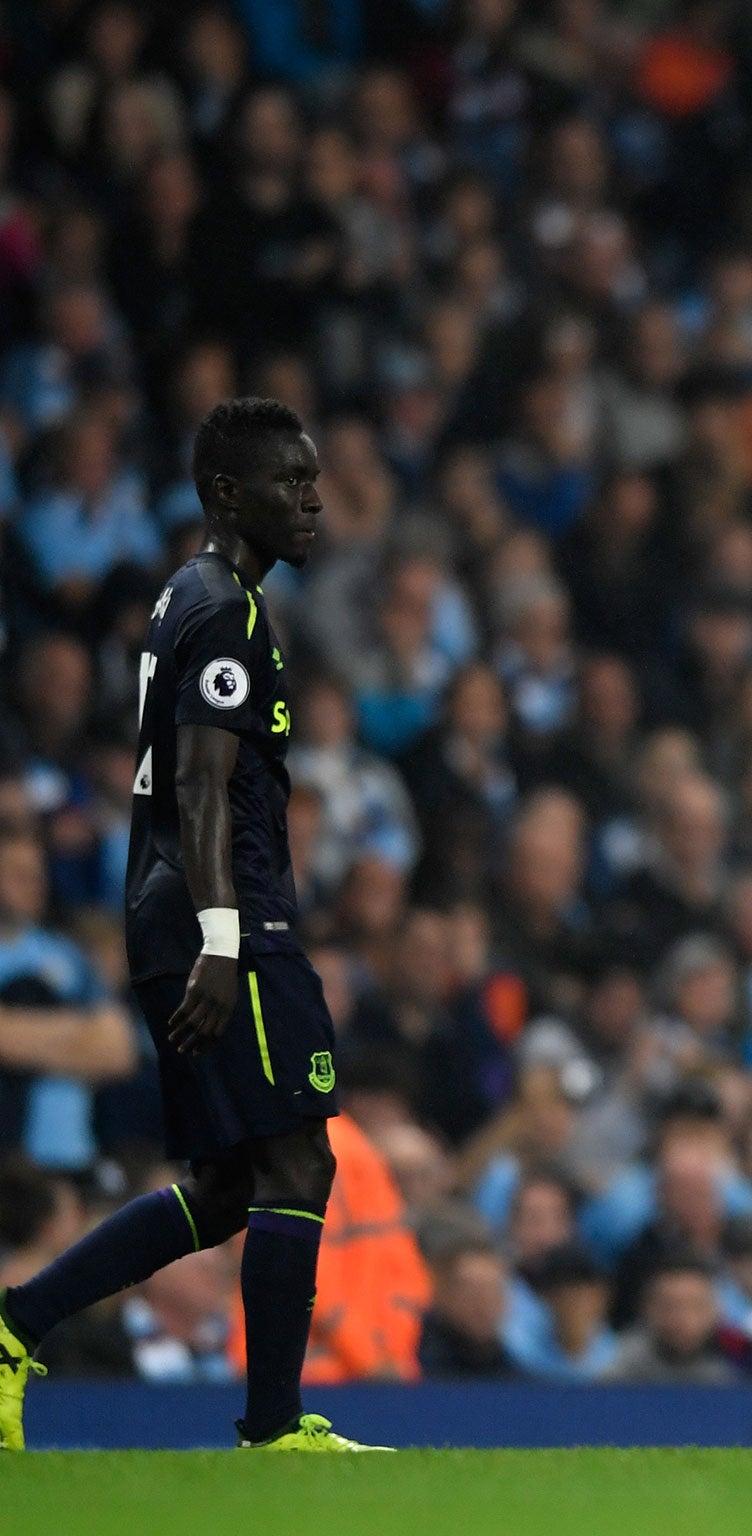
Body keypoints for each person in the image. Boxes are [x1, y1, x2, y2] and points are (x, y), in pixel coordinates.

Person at [0, 398, 387, 1453]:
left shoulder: (189, 594)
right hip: (227, 923)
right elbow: (204, 784)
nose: (312, 503)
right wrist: (225, 937)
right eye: (291, 484)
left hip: (176, 916)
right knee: (299, 1164)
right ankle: (271, 1429)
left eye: (314, 482)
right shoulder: (223, 609)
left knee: (225, 1190)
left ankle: (12, 1327)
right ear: (227, 494)